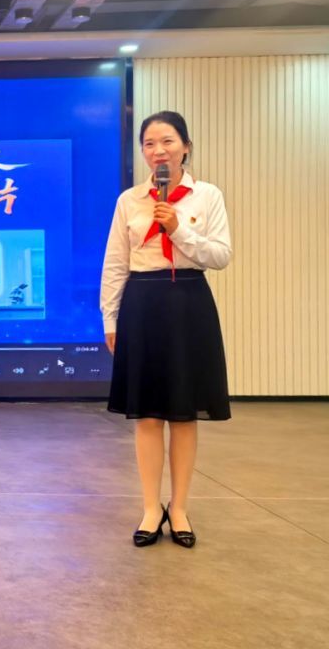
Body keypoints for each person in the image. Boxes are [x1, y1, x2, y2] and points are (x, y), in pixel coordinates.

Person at [100, 110, 232, 549]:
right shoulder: (130, 200)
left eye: (168, 141)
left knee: (184, 413)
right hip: (142, 304)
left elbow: (220, 256)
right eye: (150, 144)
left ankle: (179, 509)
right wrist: (110, 318)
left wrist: (178, 229)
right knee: (148, 415)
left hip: (189, 304)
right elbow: (115, 263)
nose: (159, 151)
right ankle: (150, 508)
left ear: (186, 147)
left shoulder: (207, 196)